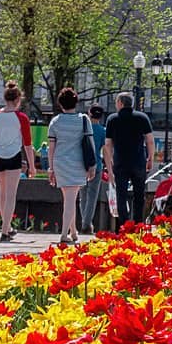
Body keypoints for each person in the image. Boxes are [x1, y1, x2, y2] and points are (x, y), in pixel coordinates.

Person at [0, 79, 36, 242]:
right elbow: (27, 144)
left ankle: (6, 226)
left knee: (2, 193)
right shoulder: (21, 118)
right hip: (13, 156)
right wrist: (31, 165)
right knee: (11, 195)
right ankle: (5, 231)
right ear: (17, 100)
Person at [47, 86, 95, 245]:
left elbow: (51, 146)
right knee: (70, 198)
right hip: (77, 162)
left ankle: (73, 232)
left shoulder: (55, 121)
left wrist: (51, 168)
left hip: (60, 162)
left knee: (69, 198)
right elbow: (90, 143)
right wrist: (92, 165)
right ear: (76, 102)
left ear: (60, 104)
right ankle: (63, 234)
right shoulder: (84, 120)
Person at [103, 90, 155, 230]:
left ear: (120, 103)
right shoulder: (142, 118)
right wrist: (151, 158)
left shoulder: (112, 119)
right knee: (139, 195)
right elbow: (149, 140)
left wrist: (109, 163)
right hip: (138, 161)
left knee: (121, 194)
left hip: (120, 162)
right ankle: (138, 224)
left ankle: (123, 226)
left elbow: (108, 144)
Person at [77, 105, 107, 234]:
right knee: (92, 196)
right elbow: (105, 150)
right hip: (97, 165)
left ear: (89, 114)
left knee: (82, 195)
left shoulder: (82, 129)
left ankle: (85, 222)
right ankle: (86, 224)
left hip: (82, 164)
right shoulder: (103, 131)